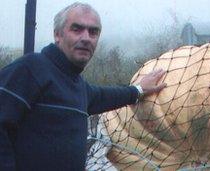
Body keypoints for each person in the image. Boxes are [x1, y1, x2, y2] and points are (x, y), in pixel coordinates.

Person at [0, 2, 166, 171]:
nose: (86, 38)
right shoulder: (30, 68)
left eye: (93, 32)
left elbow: (104, 96)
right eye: (77, 29)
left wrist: (138, 90)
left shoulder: (77, 86)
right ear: (58, 35)